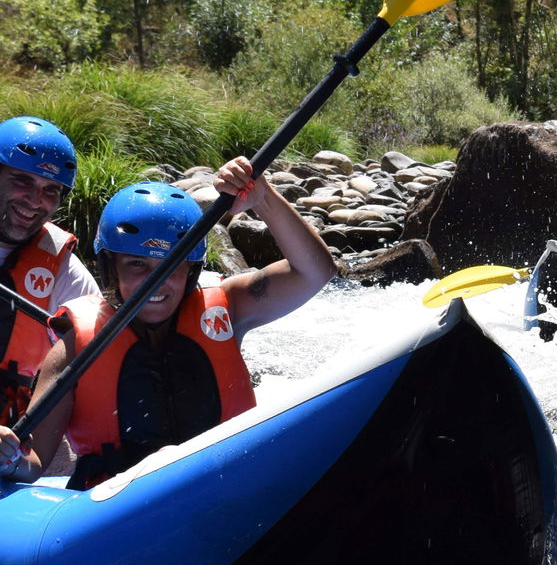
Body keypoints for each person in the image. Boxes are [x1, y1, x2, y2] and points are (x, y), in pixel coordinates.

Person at [0, 157, 336, 488]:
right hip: (125, 510)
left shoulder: (229, 306)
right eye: (136, 264)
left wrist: (263, 198)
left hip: (227, 486)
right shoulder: (72, 348)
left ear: (191, 270)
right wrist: (9, 456)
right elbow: (35, 464)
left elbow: (315, 272)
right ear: (110, 268)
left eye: (170, 265)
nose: (155, 281)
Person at [0, 116, 99, 427]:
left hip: (11, 433)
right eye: (22, 181)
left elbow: (103, 362)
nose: (34, 200)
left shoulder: (66, 273)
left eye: (50, 190)